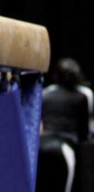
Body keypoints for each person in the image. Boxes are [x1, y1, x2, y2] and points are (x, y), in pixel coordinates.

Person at [36, 57, 93, 192]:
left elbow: (37, 124)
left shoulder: (46, 93)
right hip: (64, 148)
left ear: (56, 76)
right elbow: (86, 131)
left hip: (40, 147)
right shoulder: (84, 94)